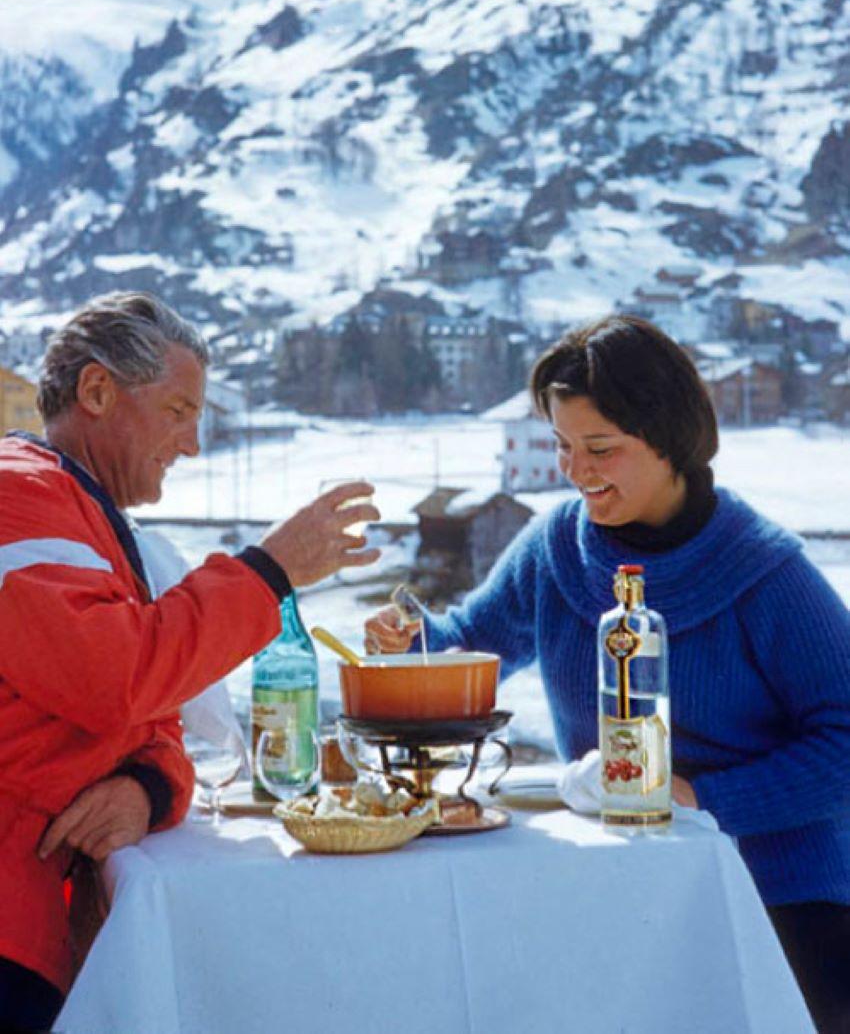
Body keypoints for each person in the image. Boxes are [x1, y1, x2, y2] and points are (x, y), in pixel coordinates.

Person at [365, 314, 850, 1034]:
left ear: (669, 440)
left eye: (601, 448)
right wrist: (411, 642)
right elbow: (470, 643)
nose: (576, 470)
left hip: (780, 901)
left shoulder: (766, 571)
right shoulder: (556, 547)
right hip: (623, 883)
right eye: (562, 445)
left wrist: (700, 795)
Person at [0, 291, 380, 1033]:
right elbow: (116, 679)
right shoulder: (18, 494)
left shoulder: (82, 511)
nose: (194, 443)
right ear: (98, 391)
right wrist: (269, 573)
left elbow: (156, 714)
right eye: (178, 411)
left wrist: (144, 786)